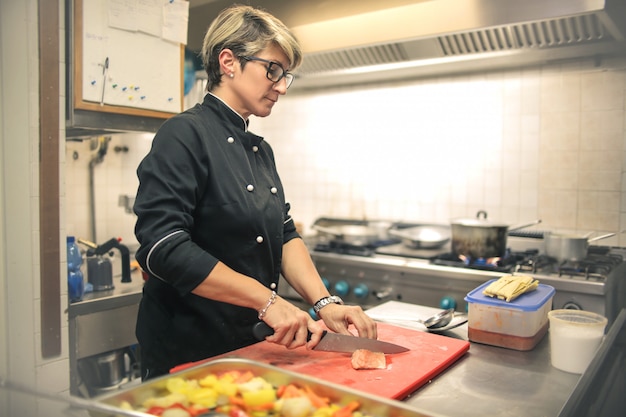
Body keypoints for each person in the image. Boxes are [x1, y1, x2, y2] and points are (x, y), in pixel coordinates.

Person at [133, 4, 378, 380]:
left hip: (248, 352)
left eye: (286, 75)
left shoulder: (260, 151)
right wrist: (267, 301)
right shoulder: (183, 135)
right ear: (228, 62)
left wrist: (324, 302)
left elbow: (283, 233)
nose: (281, 86)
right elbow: (163, 248)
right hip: (188, 357)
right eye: (273, 70)